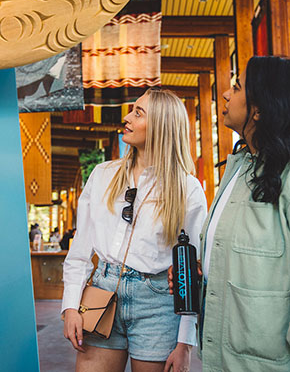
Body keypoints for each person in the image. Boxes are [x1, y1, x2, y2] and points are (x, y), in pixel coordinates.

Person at [62, 89, 207, 372]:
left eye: (138, 113)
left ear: (161, 126)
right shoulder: (103, 174)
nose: (127, 118)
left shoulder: (188, 188)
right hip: (102, 293)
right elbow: (80, 250)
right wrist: (70, 305)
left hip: (158, 304)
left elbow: (191, 274)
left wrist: (185, 344)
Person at [168, 56, 290, 371]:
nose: (225, 93)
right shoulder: (237, 166)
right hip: (220, 354)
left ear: (260, 109)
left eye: (236, 88)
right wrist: (203, 272)